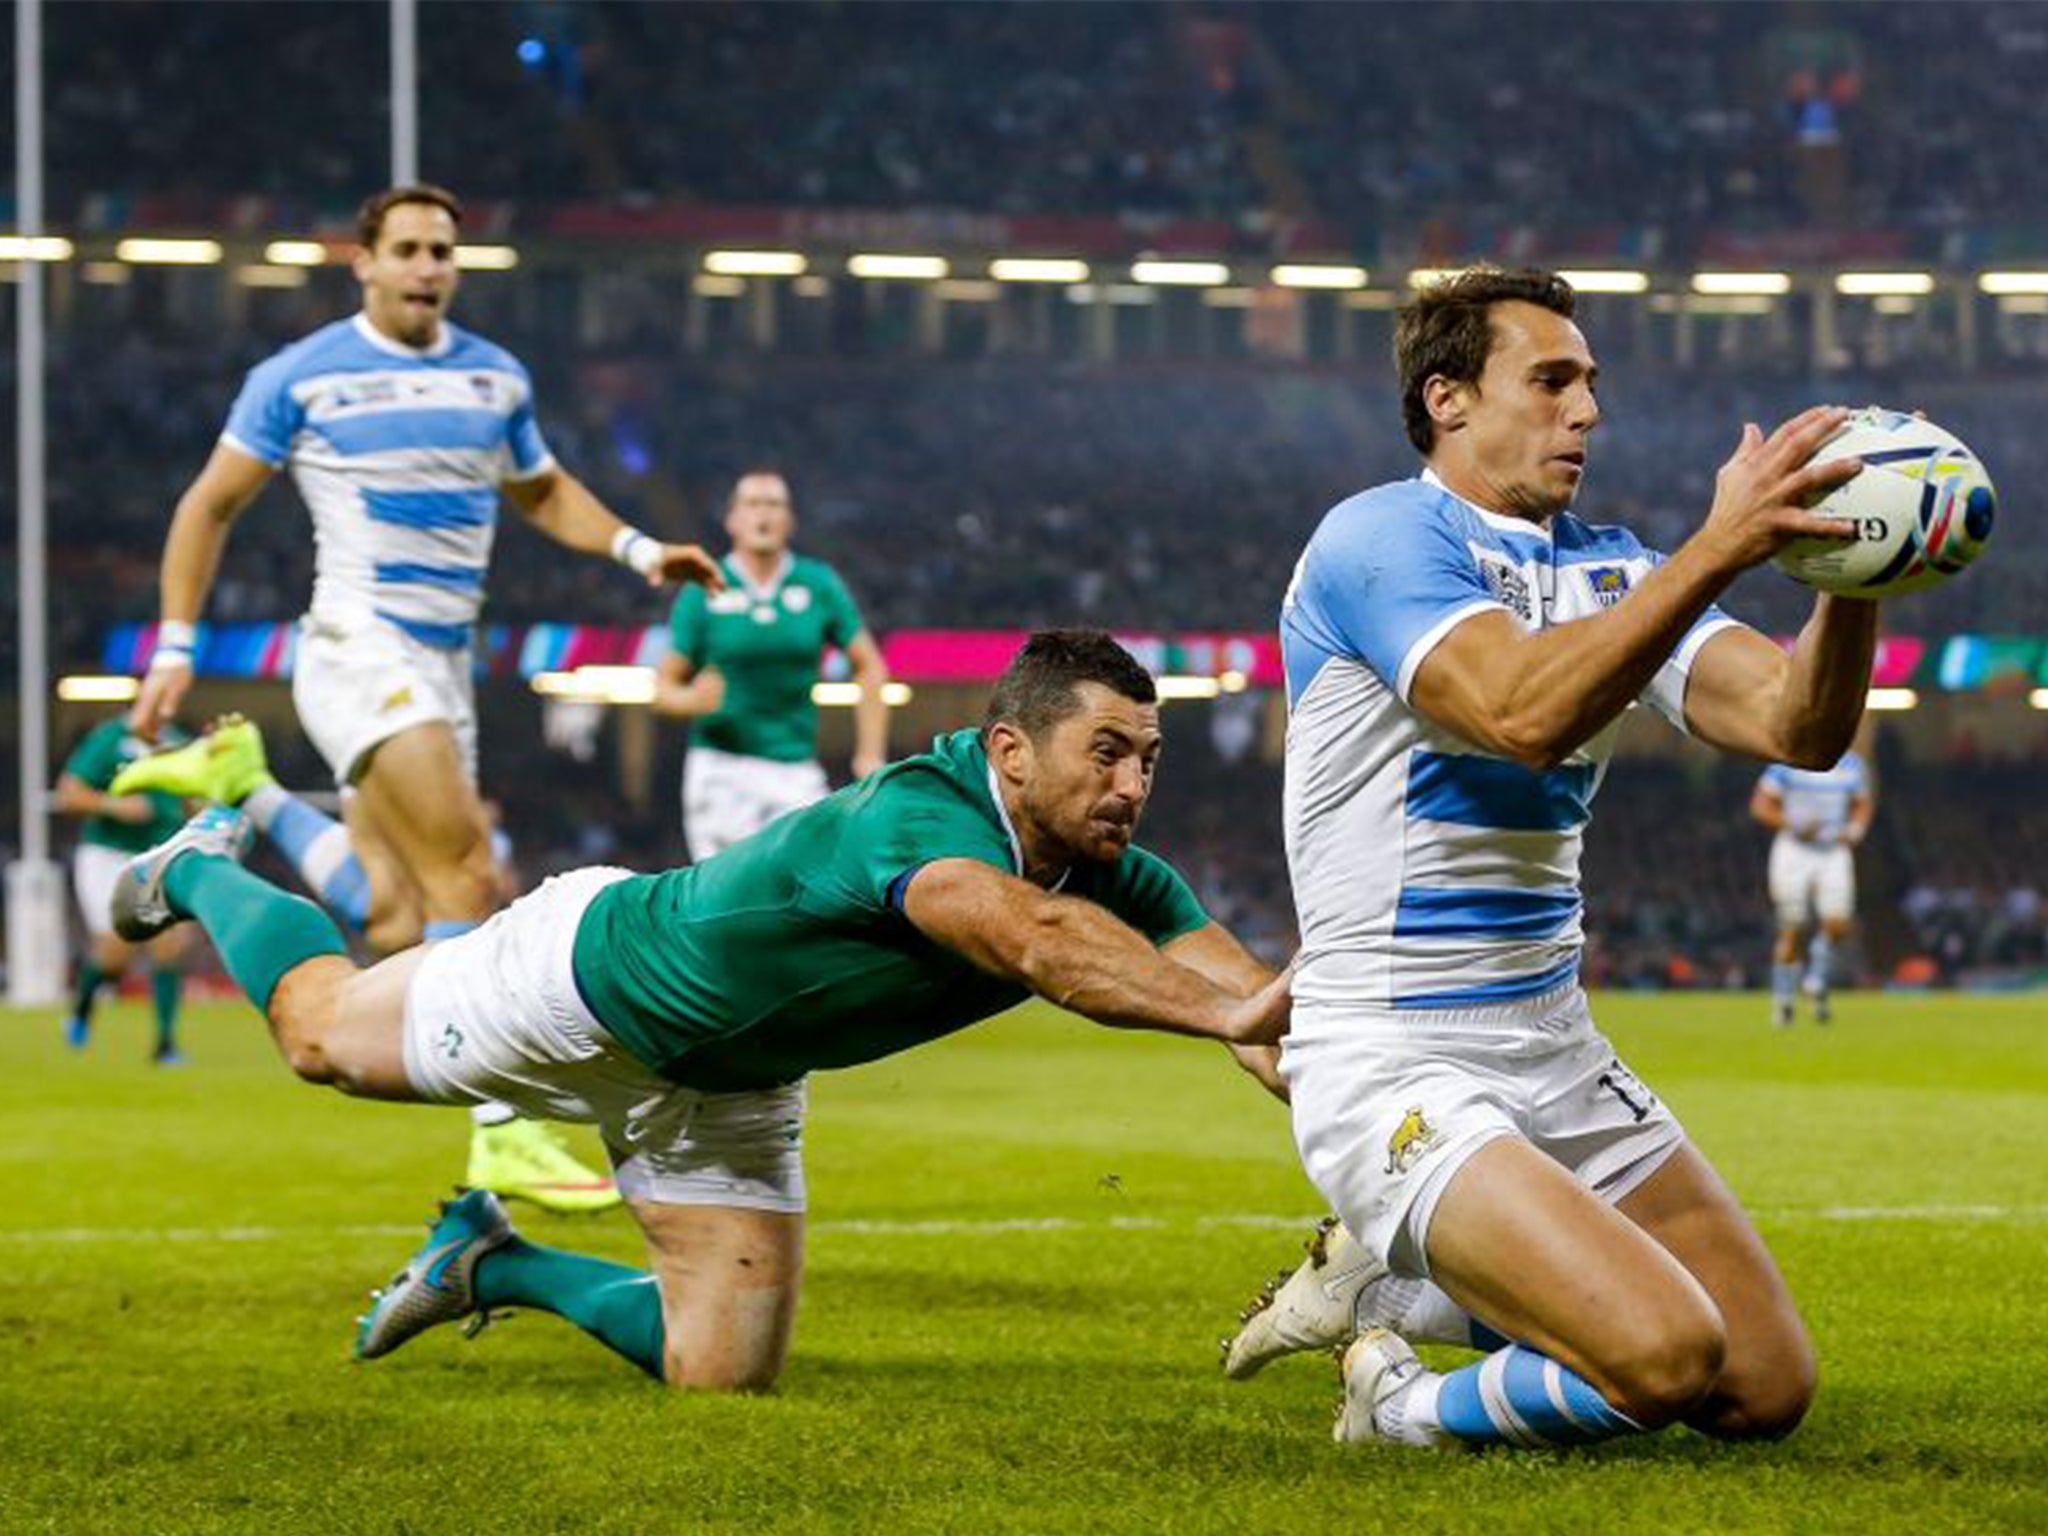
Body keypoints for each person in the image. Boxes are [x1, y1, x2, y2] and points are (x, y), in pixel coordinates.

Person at [108, 630, 1289, 1390]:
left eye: (1148, 757)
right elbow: (1036, 944)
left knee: (716, 1371)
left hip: (730, 1085)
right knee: (317, 1033)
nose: (1132, 784)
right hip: (581, 983)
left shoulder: (1119, 869)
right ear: (1010, 752)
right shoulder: (919, 817)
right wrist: (1227, 1020)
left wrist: (1323, 1065)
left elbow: (1249, 996)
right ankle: (206, 861)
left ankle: (491, 1261)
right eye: (1107, 751)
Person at [1221, 267, 1874, 1452]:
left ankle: (1388, 1290)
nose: (1586, 411)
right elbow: (1515, 714)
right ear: (1448, 399)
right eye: (1551, 380)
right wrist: (1717, 550)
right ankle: (1398, 1406)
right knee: (1666, 1357)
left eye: (1590, 386)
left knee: (1763, 1387)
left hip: (1553, 1045)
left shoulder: (1613, 568)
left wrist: (1854, 573)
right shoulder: (1375, 538)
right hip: (1390, 1051)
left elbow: (1798, 727)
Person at [119, 182, 720, 1212]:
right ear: (365, 262)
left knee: (393, 910)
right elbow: (207, 504)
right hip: (359, 646)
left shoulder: (494, 378)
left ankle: (241, 804)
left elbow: (540, 489)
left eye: (442, 249)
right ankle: (504, 1138)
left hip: (443, 664)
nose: (427, 266)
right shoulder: (301, 377)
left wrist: (635, 548)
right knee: (464, 873)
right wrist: (174, 645)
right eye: (406, 248)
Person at [654, 468, 891, 860]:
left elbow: (870, 666)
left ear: (790, 521)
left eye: (774, 504)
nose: (763, 514)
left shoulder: (818, 583)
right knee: (730, 908)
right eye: (752, 504)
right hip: (721, 771)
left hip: (795, 769)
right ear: (731, 520)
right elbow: (663, 688)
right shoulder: (703, 588)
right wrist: (690, 701)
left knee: (813, 891)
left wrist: (870, 754)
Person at [53, 714, 195, 1063]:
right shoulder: (110, 737)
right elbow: (68, 793)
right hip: (107, 855)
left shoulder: (179, 742)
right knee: (116, 952)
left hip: (158, 854)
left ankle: (165, 1044)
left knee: (170, 943)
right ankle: (82, 1009)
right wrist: (115, 805)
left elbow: (192, 799)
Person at [1750, 749, 1873, 1026]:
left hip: (1833, 850)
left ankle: (1816, 976)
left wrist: (1855, 830)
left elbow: (1862, 803)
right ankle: (1783, 1001)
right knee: (1792, 926)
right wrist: (1793, 824)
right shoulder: (1788, 762)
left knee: (1838, 923)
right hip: (1795, 849)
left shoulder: (1851, 764)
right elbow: (1761, 805)